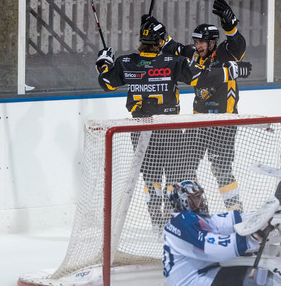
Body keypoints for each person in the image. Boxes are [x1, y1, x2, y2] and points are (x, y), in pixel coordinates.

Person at [95, 17, 252, 231]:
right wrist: (230, 71)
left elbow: (106, 83)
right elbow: (201, 76)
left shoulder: (126, 62)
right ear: (160, 42)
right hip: (170, 128)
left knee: (151, 179)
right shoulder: (173, 62)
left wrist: (104, 62)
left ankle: (157, 224)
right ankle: (174, 221)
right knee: (176, 176)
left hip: (140, 130)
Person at [161, 0, 247, 211]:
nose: (196, 45)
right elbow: (173, 48)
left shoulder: (225, 54)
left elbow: (238, 45)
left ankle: (235, 211)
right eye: (195, 41)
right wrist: (157, 32)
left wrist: (231, 27)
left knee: (221, 169)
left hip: (223, 121)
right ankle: (197, 209)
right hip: (198, 121)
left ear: (211, 43)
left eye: (200, 42)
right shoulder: (193, 55)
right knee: (185, 165)